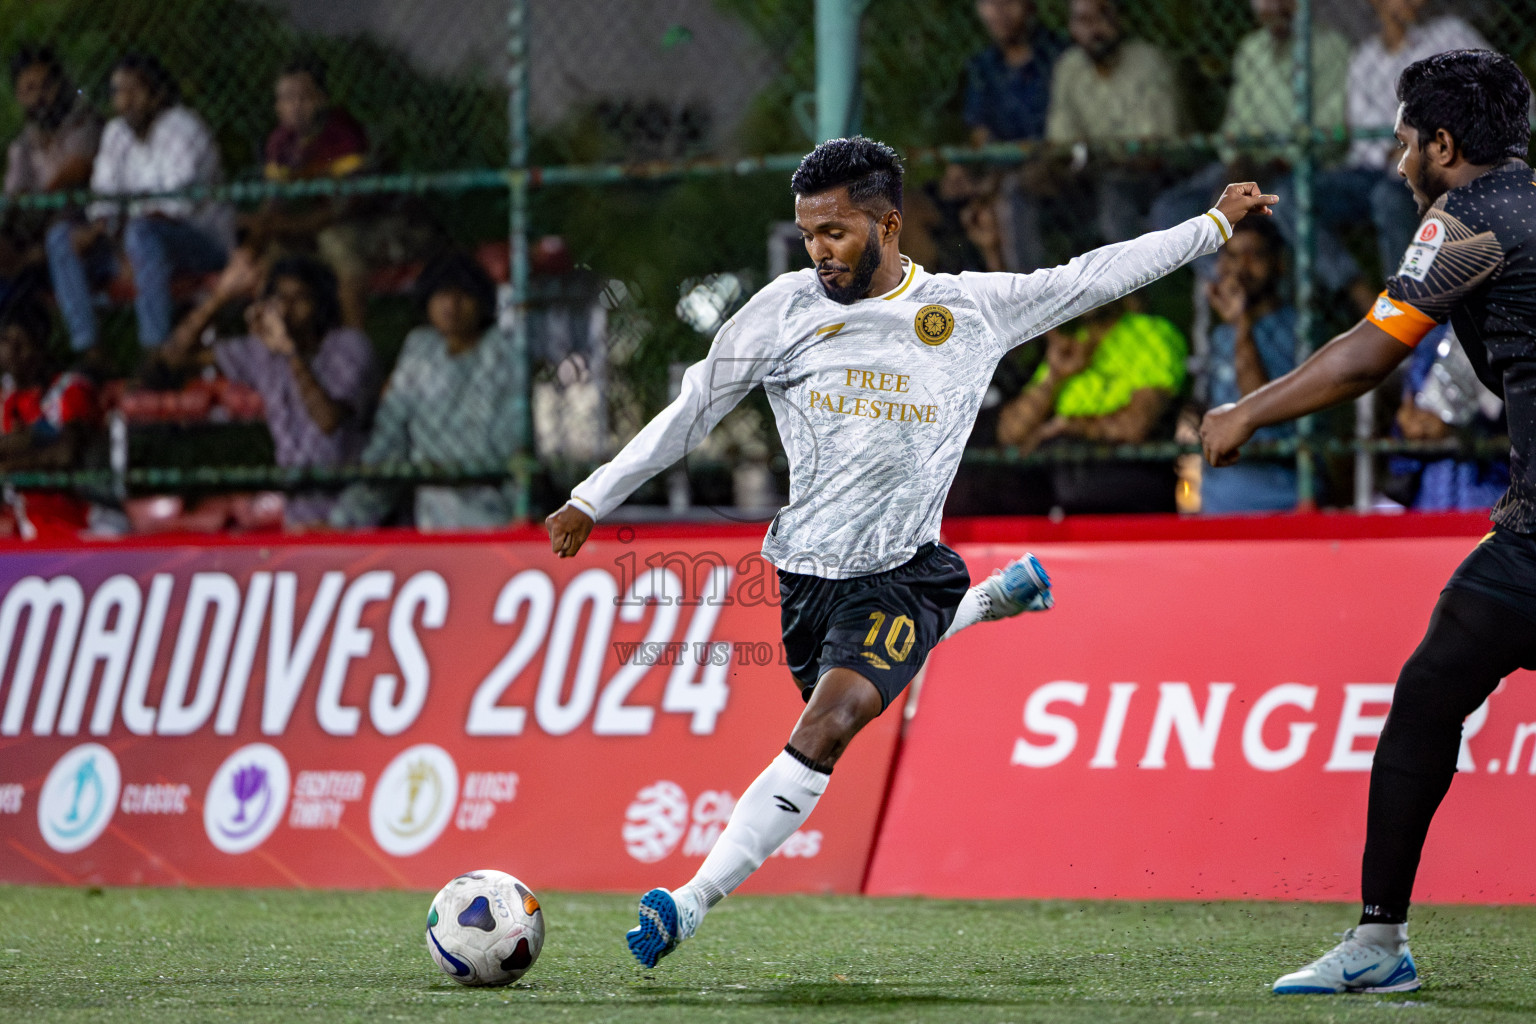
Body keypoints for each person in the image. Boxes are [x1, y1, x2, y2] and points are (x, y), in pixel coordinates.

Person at [545, 136, 1276, 968]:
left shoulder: (969, 310)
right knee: (831, 692)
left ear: (888, 223)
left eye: (836, 233)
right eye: (808, 234)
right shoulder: (783, 309)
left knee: (830, 722)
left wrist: (1213, 225)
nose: (818, 253)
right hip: (803, 578)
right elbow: (694, 408)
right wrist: (591, 495)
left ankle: (688, 900)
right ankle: (984, 603)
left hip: (901, 573)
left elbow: (1094, 274)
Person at [1200, 50, 1536, 994]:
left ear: (1443, 143)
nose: (1394, 160)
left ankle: (1379, 945)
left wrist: (1244, 412)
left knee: (1425, 703)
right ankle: (1377, 944)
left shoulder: (1465, 219)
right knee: (1431, 688)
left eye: (1401, 139)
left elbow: (1365, 357)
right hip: (1524, 535)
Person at [1149, 0, 1360, 301]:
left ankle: (1284, 301)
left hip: (1297, 167)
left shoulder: (1330, 47)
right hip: (1246, 166)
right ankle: (1231, 285)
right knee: (1170, 209)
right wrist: (1236, 158)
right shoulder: (1251, 49)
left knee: (1285, 200)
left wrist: (1278, 160)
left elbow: (1330, 131)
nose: (1272, 6)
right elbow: (1235, 123)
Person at [157, 254, 377, 527]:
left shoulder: (349, 347)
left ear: (321, 304)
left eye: (299, 299)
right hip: (299, 511)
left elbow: (328, 420)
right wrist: (221, 296)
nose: (286, 308)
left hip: (353, 508)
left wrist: (290, 352)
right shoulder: (262, 350)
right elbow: (175, 356)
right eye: (280, 298)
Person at [44, 53, 232, 357]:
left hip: (201, 244)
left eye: (135, 90)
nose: (126, 100)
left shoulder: (183, 128)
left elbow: (175, 209)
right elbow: (103, 199)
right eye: (119, 91)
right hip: (135, 246)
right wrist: (102, 234)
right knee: (61, 239)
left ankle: (155, 350)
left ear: (158, 94)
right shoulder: (117, 133)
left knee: (144, 233)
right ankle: (91, 351)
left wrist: (125, 240)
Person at [330, 252, 520, 530]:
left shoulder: (503, 354)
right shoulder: (419, 350)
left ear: (482, 301)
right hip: (433, 521)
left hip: (496, 513)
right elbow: (388, 443)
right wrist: (342, 522)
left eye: (463, 294)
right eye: (442, 294)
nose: (452, 305)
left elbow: (509, 446)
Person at [992, 298, 1188, 513]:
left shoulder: (1150, 333)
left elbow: (1134, 425)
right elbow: (1010, 433)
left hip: (1127, 486)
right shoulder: (1073, 343)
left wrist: (1068, 426)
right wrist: (1054, 376)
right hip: (1056, 489)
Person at [242, 56, 372, 329]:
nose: (295, 107)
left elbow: (348, 204)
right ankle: (267, 343)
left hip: (339, 223)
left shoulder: (343, 133)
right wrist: (260, 230)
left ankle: (353, 345)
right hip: (298, 227)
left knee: (346, 260)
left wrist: (293, 225)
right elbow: (274, 203)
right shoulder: (279, 142)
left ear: (322, 99)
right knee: (263, 265)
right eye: (285, 99)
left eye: (303, 97)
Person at [1042, 0, 1183, 245]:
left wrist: (1091, 155)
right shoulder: (1068, 67)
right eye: (1084, 21)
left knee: (1114, 190)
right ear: (1072, 27)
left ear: (1120, 20)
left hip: (1146, 177)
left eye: (1102, 16)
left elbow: (1151, 150)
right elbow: (1062, 143)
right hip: (1088, 174)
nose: (1094, 30)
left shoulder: (1149, 63)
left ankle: (1128, 282)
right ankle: (1025, 279)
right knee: (1021, 188)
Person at [948, 0, 1066, 272]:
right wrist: (961, 169)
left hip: (1048, 171)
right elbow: (981, 135)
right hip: (997, 170)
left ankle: (1021, 301)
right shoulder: (983, 66)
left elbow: (1056, 145)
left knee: (1003, 201)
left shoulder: (1059, 57)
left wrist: (993, 182)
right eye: (988, 3)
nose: (998, 11)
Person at [1198, 215, 1301, 512]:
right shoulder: (1220, 335)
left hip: (1283, 501)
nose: (1241, 267)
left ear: (1278, 264)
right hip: (1217, 504)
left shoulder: (1300, 329)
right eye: (1232, 256)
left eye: (1254, 255)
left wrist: (1242, 325)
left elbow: (1259, 411)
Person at [1, 45, 101, 305]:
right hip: (35, 231)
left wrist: (36, 200)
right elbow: (14, 197)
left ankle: (89, 346)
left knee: (58, 233)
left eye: (46, 86)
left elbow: (75, 171)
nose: (40, 97)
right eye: (29, 90)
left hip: (81, 224)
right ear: (19, 96)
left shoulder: (83, 121)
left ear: (60, 84)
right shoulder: (23, 143)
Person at [0, 293, 100, 539]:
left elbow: (65, 454)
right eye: (5, 342)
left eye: (21, 343)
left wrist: (7, 466)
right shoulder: (4, 399)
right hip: (18, 521)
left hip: (70, 519)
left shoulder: (70, 389)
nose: (12, 352)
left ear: (41, 346)